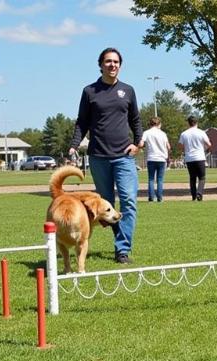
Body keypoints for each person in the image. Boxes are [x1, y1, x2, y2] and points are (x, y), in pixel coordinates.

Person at [68, 47, 142, 264]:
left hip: (124, 156)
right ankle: (119, 238)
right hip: (98, 157)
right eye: (108, 61)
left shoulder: (128, 91)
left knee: (128, 201)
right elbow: (82, 122)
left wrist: (138, 144)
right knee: (106, 206)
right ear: (100, 64)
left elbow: (135, 120)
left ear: (120, 65)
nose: (113, 65)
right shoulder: (90, 91)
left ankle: (122, 249)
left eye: (116, 62)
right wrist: (74, 145)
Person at [178, 116, 211, 201]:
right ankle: (199, 193)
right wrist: (204, 149)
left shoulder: (184, 133)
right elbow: (209, 144)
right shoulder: (201, 132)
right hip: (200, 157)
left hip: (189, 158)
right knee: (202, 177)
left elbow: (180, 146)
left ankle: (193, 196)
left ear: (188, 123)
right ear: (197, 123)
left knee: (192, 178)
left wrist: (185, 151)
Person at [139, 116, 170, 202]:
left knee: (151, 179)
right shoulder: (163, 134)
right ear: (159, 124)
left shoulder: (146, 132)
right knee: (160, 179)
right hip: (161, 158)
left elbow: (141, 144)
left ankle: (151, 197)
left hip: (151, 158)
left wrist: (141, 146)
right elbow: (168, 146)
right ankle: (160, 198)